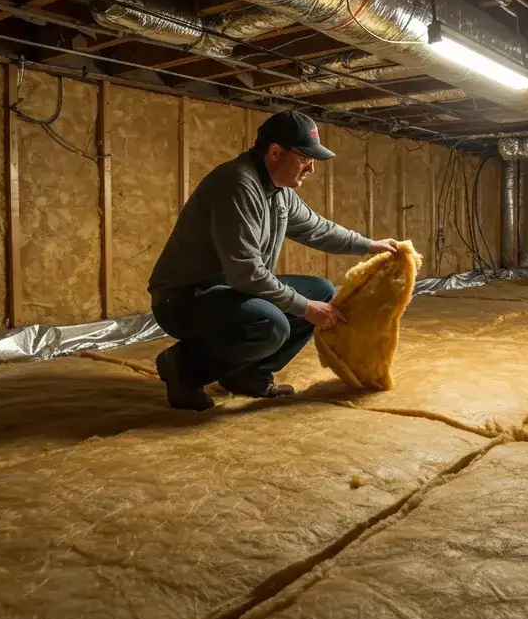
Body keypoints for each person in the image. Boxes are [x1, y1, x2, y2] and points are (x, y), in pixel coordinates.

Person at [148, 109, 400, 411]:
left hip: (230, 290)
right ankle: (182, 367)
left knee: (321, 291)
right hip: (184, 299)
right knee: (272, 323)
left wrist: (371, 245)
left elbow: (318, 229)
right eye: (304, 159)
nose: (311, 169)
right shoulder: (238, 185)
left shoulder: (279, 191)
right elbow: (247, 274)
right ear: (275, 151)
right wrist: (305, 308)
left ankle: (248, 375)